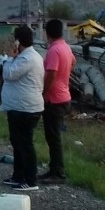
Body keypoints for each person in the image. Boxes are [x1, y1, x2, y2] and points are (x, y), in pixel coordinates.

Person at [0, 24, 45, 191]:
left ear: (18, 41)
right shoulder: (24, 56)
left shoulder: (28, 58)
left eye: (14, 39)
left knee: (25, 144)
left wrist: (7, 58)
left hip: (26, 109)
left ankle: (31, 180)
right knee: (17, 142)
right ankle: (18, 175)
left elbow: (8, 74)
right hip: (18, 107)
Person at [40, 18, 75, 182]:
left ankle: (58, 173)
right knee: (52, 136)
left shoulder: (54, 50)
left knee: (53, 138)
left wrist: (43, 92)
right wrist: (64, 77)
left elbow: (51, 73)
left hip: (54, 100)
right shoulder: (65, 47)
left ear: (47, 33)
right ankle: (53, 169)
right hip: (64, 96)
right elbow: (73, 62)